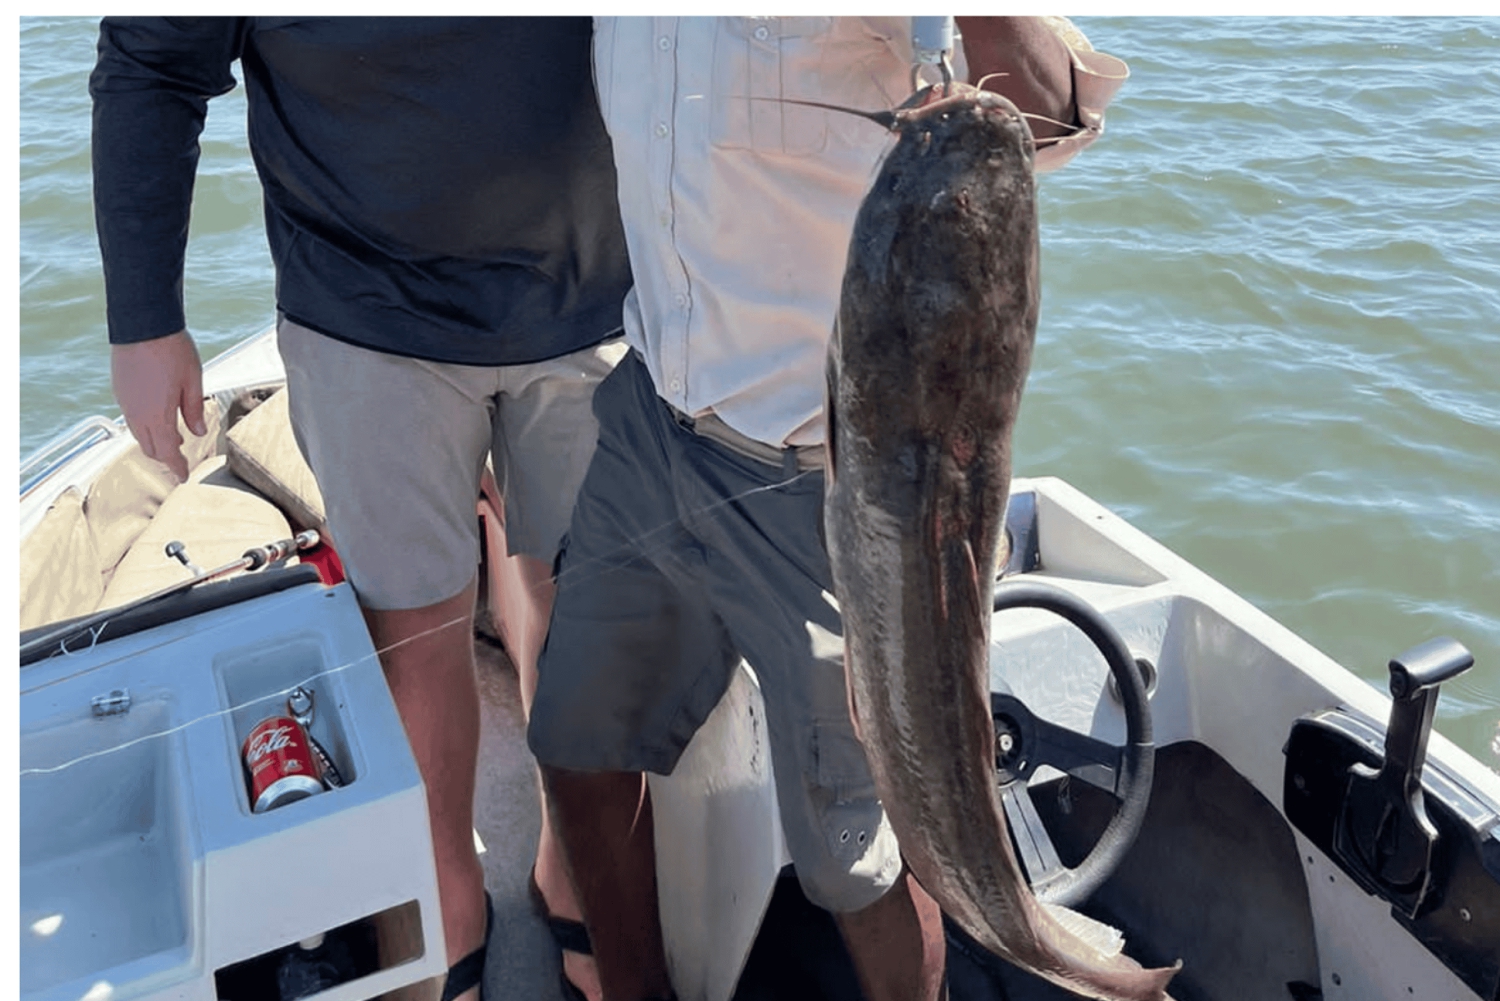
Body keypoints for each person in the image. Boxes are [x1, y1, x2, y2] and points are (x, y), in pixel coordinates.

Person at [527, 16, 1127, 1001]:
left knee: (864, 849)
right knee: (574, 740)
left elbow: (1041, 109)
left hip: (832, 469)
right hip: (651, 414)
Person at [91, 17, 632, 1001]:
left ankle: (575, 857)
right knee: (413, 620)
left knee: (588, 612)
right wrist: (144, 318)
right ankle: (447, 901)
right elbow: (153, 58)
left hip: (607, 295)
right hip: (365, 311)